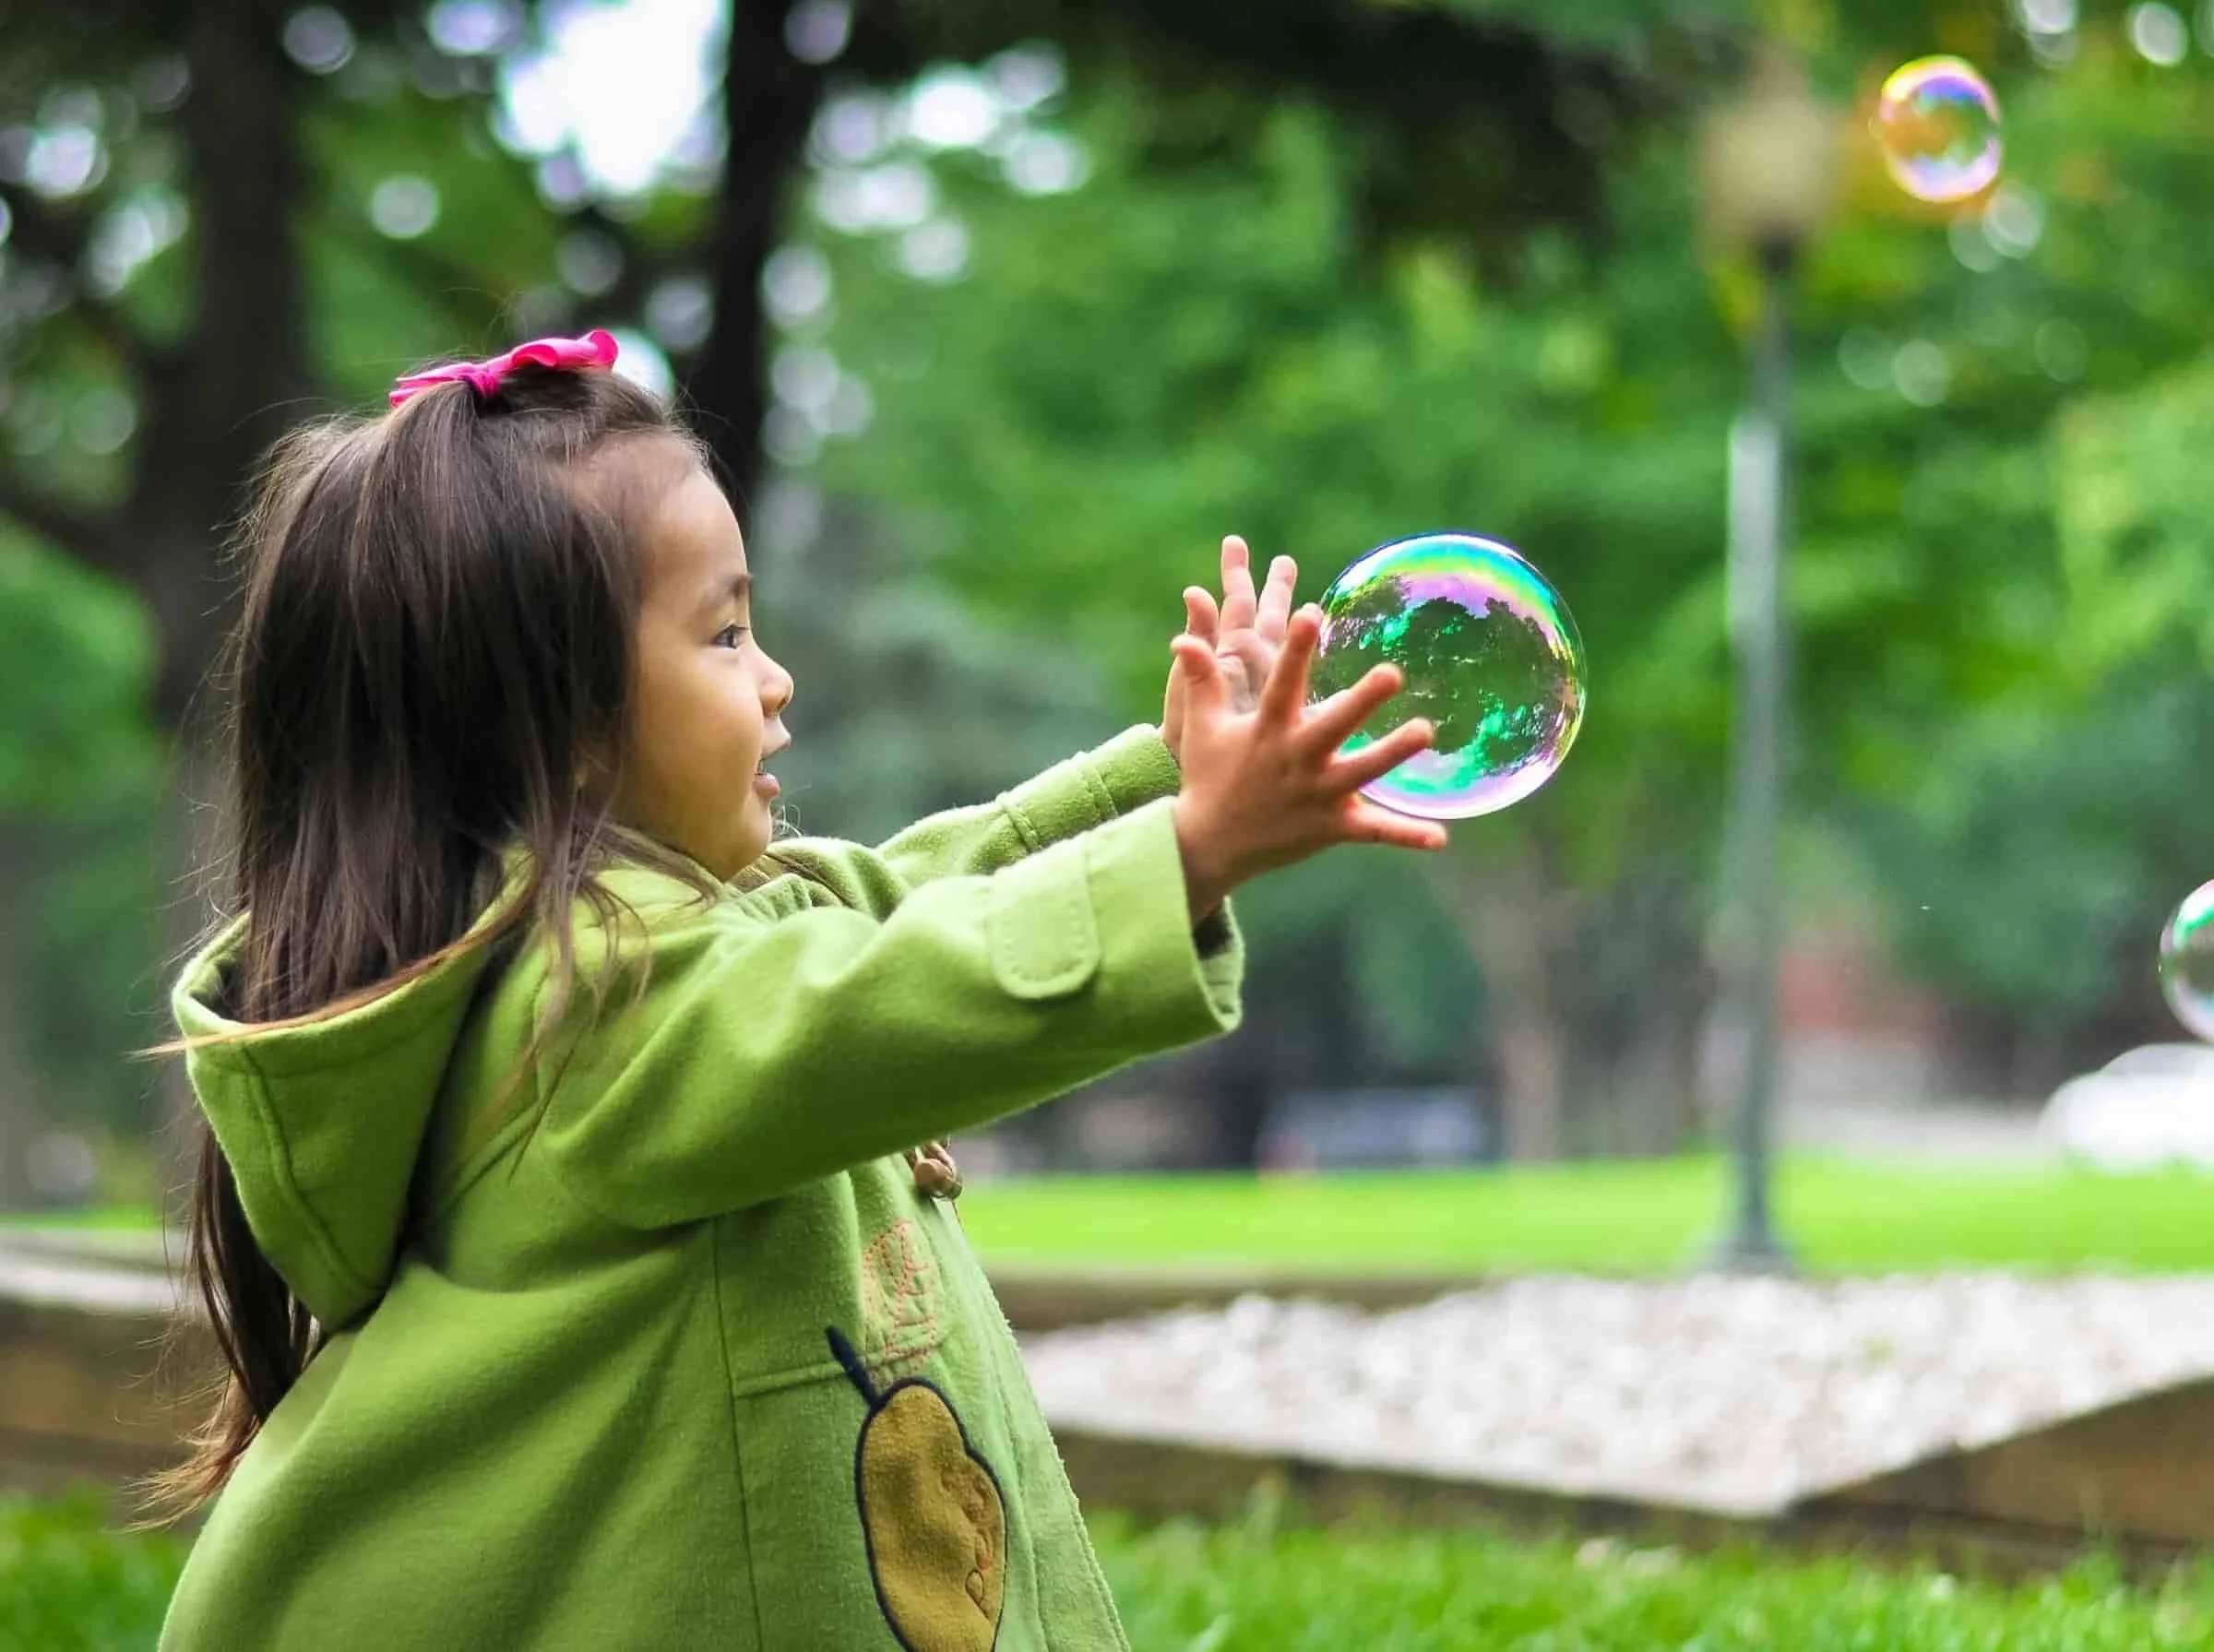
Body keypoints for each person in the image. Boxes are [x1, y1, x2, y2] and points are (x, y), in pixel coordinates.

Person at [142, 329, 1444, 1651]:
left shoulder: (659, 951)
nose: (775, 679)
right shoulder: (593, 1014)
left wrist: (1168, 780)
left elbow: (904, 895)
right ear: (565, 728)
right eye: (722, 633)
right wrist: (1195, 851)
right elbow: (882, 990)